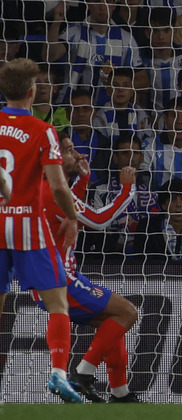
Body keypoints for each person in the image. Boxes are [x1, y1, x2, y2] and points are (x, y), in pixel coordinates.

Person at [0, 58, 83, 403]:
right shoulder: (42, 130)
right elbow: (59, 186)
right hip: (28, 228)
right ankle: (59, 374)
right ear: (32, 92)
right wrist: (72, 217)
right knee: (58, 303)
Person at [37, 136, 140, 403]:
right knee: (128, 313)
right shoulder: (53, 192)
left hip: (52, 277)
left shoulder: (48, 188)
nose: (78, 154)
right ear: (54, 158)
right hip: (60, 279)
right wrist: (127, 189)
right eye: (70, 150)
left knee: (113, 320)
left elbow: (70, 210)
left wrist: (83, 179)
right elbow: (99, 220)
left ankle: (120, 392)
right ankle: (83, 372)